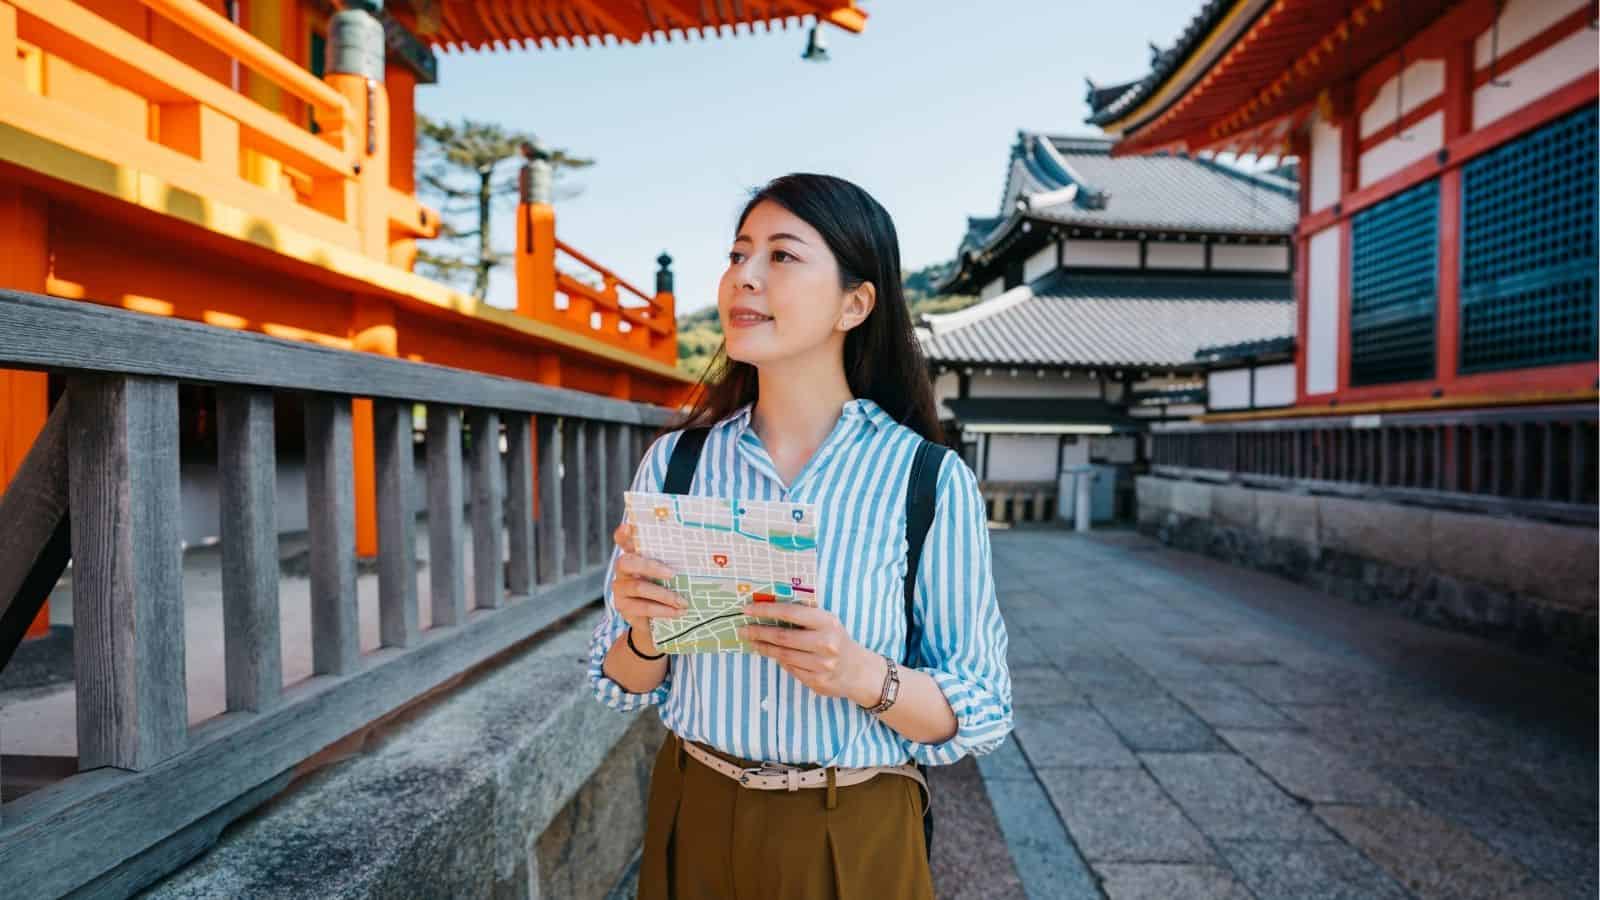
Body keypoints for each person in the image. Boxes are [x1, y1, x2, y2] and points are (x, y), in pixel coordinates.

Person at [587, 173, 1012, 899]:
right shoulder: (678, 462)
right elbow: (617, 681)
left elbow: (980, 706)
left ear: (856, 302)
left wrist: (856, 673)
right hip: (695, 802)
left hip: (855, 824)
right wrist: (646, 634)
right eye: (737, 253)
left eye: (781, 256)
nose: (743, 277)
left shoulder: (925, 479)